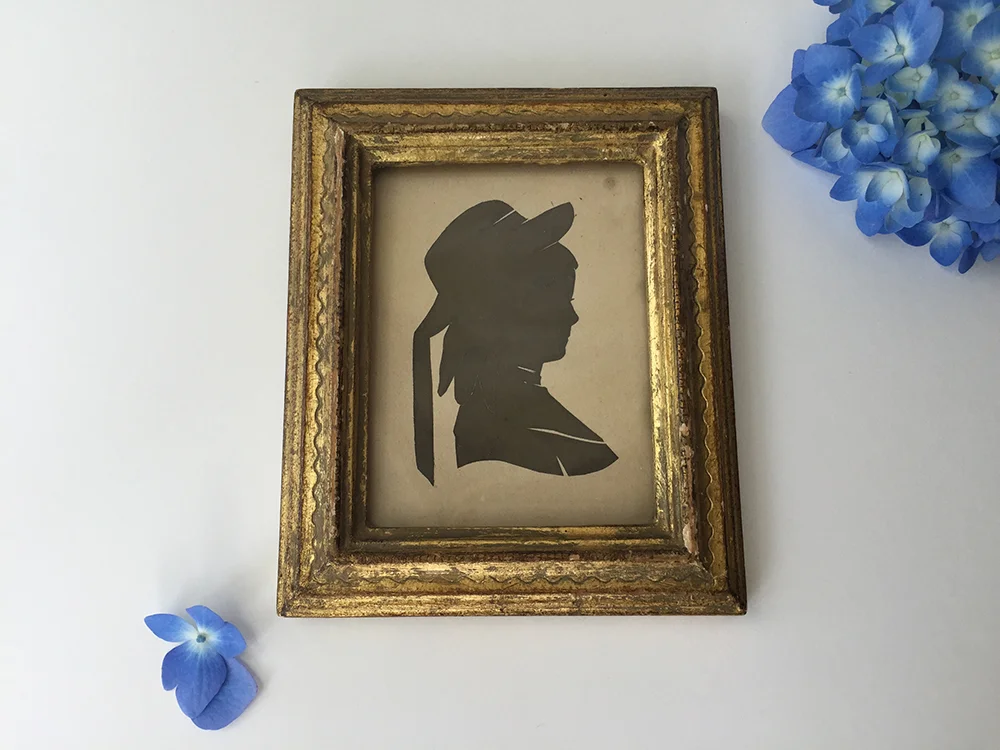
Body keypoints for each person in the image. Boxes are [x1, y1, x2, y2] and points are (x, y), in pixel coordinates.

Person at [413, 200, 618, 485]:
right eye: (555, 299)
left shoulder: (508, 416)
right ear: (498, 311)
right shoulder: (508, 433)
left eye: (568, 299)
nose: (572, 317)